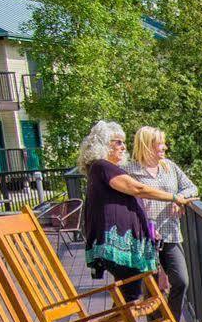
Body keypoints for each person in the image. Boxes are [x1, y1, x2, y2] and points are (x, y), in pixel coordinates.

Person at [76, 120, 181, 301]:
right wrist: (174, 198)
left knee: (128, 298)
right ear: (104, 143)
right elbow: (138, 189)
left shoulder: (105, 168)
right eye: (118, 142)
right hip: (118, 245)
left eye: (123, 142)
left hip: (124, 244)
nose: (124, 147)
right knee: (131, 297)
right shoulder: (102, 166)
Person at [124, 125, 198, 322]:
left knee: (181, 280)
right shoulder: (130, 171)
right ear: (147, 145)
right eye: (160, 144)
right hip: (145, 237)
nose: (164, 147)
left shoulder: (169, 166)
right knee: (152, 288)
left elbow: (192, 187)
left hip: (171, 233)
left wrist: (179, 198)